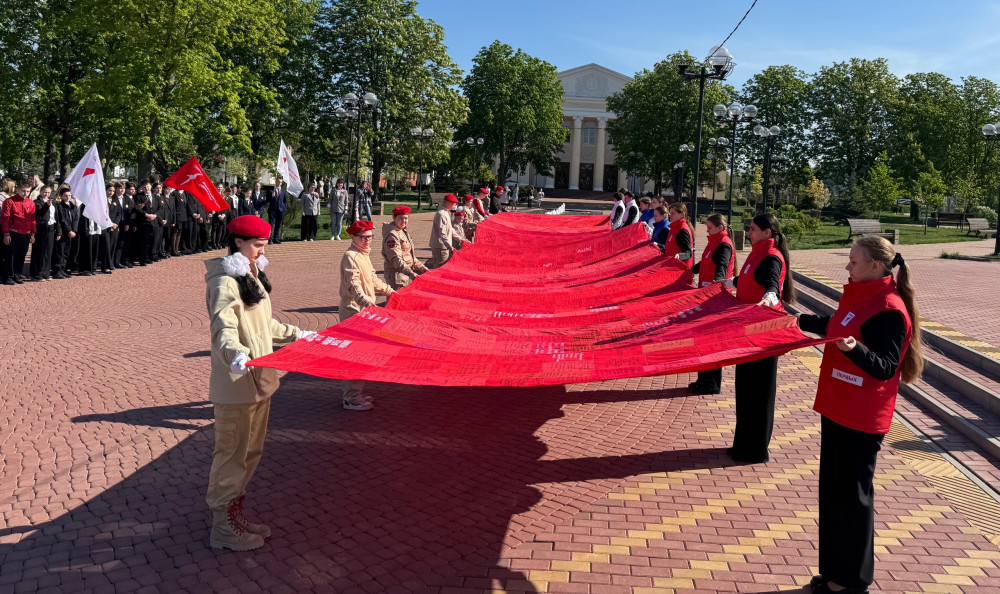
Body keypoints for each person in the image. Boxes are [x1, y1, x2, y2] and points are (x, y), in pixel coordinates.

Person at [798, 237, 922, 594]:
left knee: (853, 498)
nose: (847, 267)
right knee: (833, 493)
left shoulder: (888, 308)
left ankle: (852, 581)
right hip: (838, 407)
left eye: (853, 261)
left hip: (861, 417)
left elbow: (885, 367)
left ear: (875, 266)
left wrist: (854, 350)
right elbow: (837, 324)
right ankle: (834, 571)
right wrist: (798, 320)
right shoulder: (859, 295)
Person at [205, 214, 311, 551]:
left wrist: (299, 334)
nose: (262, 250)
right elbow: (224, 329)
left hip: (260, 380)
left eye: (264, 245)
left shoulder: (250, 275)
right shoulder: (224, 282)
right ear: (238, 241)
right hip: (237, 382)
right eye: (257, 245)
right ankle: (223, 527)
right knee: (232, 455)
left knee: (250, 453)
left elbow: (266, 326)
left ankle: (234, 514)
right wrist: (235, 353)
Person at [723, 213, 796, 464]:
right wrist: (727, 282)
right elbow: (747, 279)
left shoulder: (771, 257)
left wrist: (770, 297)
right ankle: (743, 443)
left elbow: (772, 285)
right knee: (745, 390)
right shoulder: (757, 253)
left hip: (763, 335)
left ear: (767, 232)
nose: (749, 232)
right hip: (748, 332)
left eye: (753, 229)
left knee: (759, 393)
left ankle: (755, 449)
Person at [339, 220, 395, 410]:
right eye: (363, 237)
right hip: (354, 311)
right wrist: (367, 303)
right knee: (354, 355)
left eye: (370, 237)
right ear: (352, 237)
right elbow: (353, 285)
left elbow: (373, 280)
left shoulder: (363, 254)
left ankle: (357, 393)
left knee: (362, 354)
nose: (368, 240)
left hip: (364, 311)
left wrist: (392, 292)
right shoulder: (350, 256)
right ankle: (351, 398)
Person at [688, 213, 737, 395]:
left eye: (709, 228)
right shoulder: (714, 242)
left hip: (715, 299)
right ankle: (703, 380)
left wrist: (716, 284)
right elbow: (705, 263)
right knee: (702, 341)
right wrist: (688, 270)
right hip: (706, 297)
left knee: (712, 342)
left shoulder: (723, 244)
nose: (707, 231)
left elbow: (721, 267)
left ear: (720, 228)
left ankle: (711, 384)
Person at [381, 205, 427, 290]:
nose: (404, 221)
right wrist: (410, 273)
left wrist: (421, 267)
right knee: (396, 298)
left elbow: (408, 254)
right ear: (393, 218)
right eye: (400, 218)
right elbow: (395, 259)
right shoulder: (392, 235)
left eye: (406, 218)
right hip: (397, 276)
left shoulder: (402, 231)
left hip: (405, 273)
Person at [1, 180, 37, 284]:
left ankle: (17, 275)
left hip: (25, 233)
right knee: (10, 256)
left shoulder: (31, 203)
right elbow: (5, 218)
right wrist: (6, 234)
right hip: (13, 233)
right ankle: (9, 276)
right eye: (23, 191)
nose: (25, 193)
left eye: (28, 191)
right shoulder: (9, 201)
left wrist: (33, 233)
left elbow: (33, 219)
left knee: (21, 255)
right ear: (18, 190)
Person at [30, 185, 56, 281]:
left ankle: (45, 273)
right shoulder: (36, 202)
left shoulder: (53, 203)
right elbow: (39, 214)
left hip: (51, 228)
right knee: (39, 251)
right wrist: (46, 205)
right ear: (40, 192)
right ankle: (36, 273)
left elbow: (56, 217)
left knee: (48, 252)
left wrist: (58, 231)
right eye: (45, 192)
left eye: (48, 192)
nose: (47, 194)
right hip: (41, 228)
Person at [52, 187, 79, 280]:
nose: (68, 197)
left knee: (66, 252)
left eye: (69, 196)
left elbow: (76, 219)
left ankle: (63, 269)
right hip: (63, 232)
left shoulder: (73, 206)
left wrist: (74, 230)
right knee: (60, 252)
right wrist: (69, 230)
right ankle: (57, 270)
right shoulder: (59, 206)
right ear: (61, 196)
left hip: (71, 233)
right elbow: (62, 220)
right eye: (66, 196)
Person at [430, 193, 461, 268]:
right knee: (440, 267)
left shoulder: (445, 212)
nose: (455, 206)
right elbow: (442, 233)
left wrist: (460, 239)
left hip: (444, 246)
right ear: (450, 203)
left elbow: (450, 230)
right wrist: (449, 246)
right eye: (454, 204)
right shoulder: (442, 214)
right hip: (441, 247)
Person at [662, 203, 694, 268]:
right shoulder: (674, 227)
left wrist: (679, 256)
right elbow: (671, 248)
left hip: (680, 268)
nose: (670, 216)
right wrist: (659, 246)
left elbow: (688, 253)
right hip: (672, 265)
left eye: (673, 214)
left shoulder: (682, 231)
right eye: (670, 214)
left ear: (682, 215)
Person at [102, 184, 121, 273]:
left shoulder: (115, 200)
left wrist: (115, 224)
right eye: (109, 190)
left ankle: (111, 264)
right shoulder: (102, 200)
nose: (111, 192)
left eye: (113, 191)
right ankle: (105, 266)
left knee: (113, 245)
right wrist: (110, 224)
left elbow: (119, 213)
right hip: (105, 226)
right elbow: (102, 213)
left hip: (114, 226)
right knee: (106, 246)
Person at [267, 178, 287, 244]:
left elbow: (285, 201)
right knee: (271, 225)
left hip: (280, 211)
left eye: (280, 182)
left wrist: (284, 208)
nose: (279, 183)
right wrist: (271, 196)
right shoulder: (270, 190)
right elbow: (267, 200)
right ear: (275, 181)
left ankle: (276, 238)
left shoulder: (283, 191)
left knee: (278, 225)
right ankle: (270, 239)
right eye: (278, 181)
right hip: (272, 210)